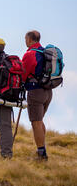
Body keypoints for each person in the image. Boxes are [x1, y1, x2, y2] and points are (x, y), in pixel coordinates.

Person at [22, 30, 52, 161]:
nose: (25, 41)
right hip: (48, 91)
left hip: (35, 91)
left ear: (29, 39)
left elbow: (23, 74)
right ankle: (42, 149)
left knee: (36, 122)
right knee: (39, 121)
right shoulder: (46, 52)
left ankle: (41, 154)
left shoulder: (30, 54)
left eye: (25, 38)